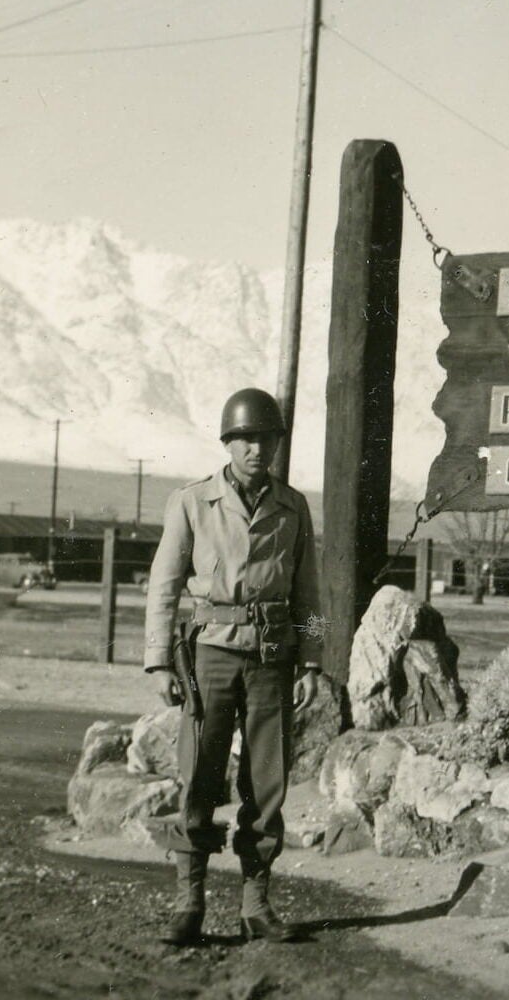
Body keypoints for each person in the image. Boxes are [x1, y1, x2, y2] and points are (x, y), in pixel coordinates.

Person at [142, 387, 326, 946]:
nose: (255, 449)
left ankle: (256, 905)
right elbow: (164, 586)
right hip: (211, 655)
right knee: (199, 775)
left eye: (265, 438)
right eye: (245, 438)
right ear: (227, 442)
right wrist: (158, 662)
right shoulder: (193, 502)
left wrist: (312, 659)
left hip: (272, 660)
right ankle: (189, 901)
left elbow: (311, 598)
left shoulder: (293, 507)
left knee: (266, 784)